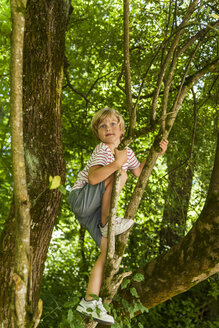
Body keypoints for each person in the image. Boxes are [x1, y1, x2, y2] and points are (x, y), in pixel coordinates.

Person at [69, 107, 168, 325]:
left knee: (107, 253)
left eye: (113, 124)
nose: (108, 128)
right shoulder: (103, 149)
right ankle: (107, 224)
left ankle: (90, 301)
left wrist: (157, 154)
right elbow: (94, 178)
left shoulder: (127, 153)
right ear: (98, 134)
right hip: (81, 199)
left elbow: (140, 173)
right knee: (120, 173)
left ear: (122, 130)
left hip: (92, 211)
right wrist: (117, 163)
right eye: (102, 126)